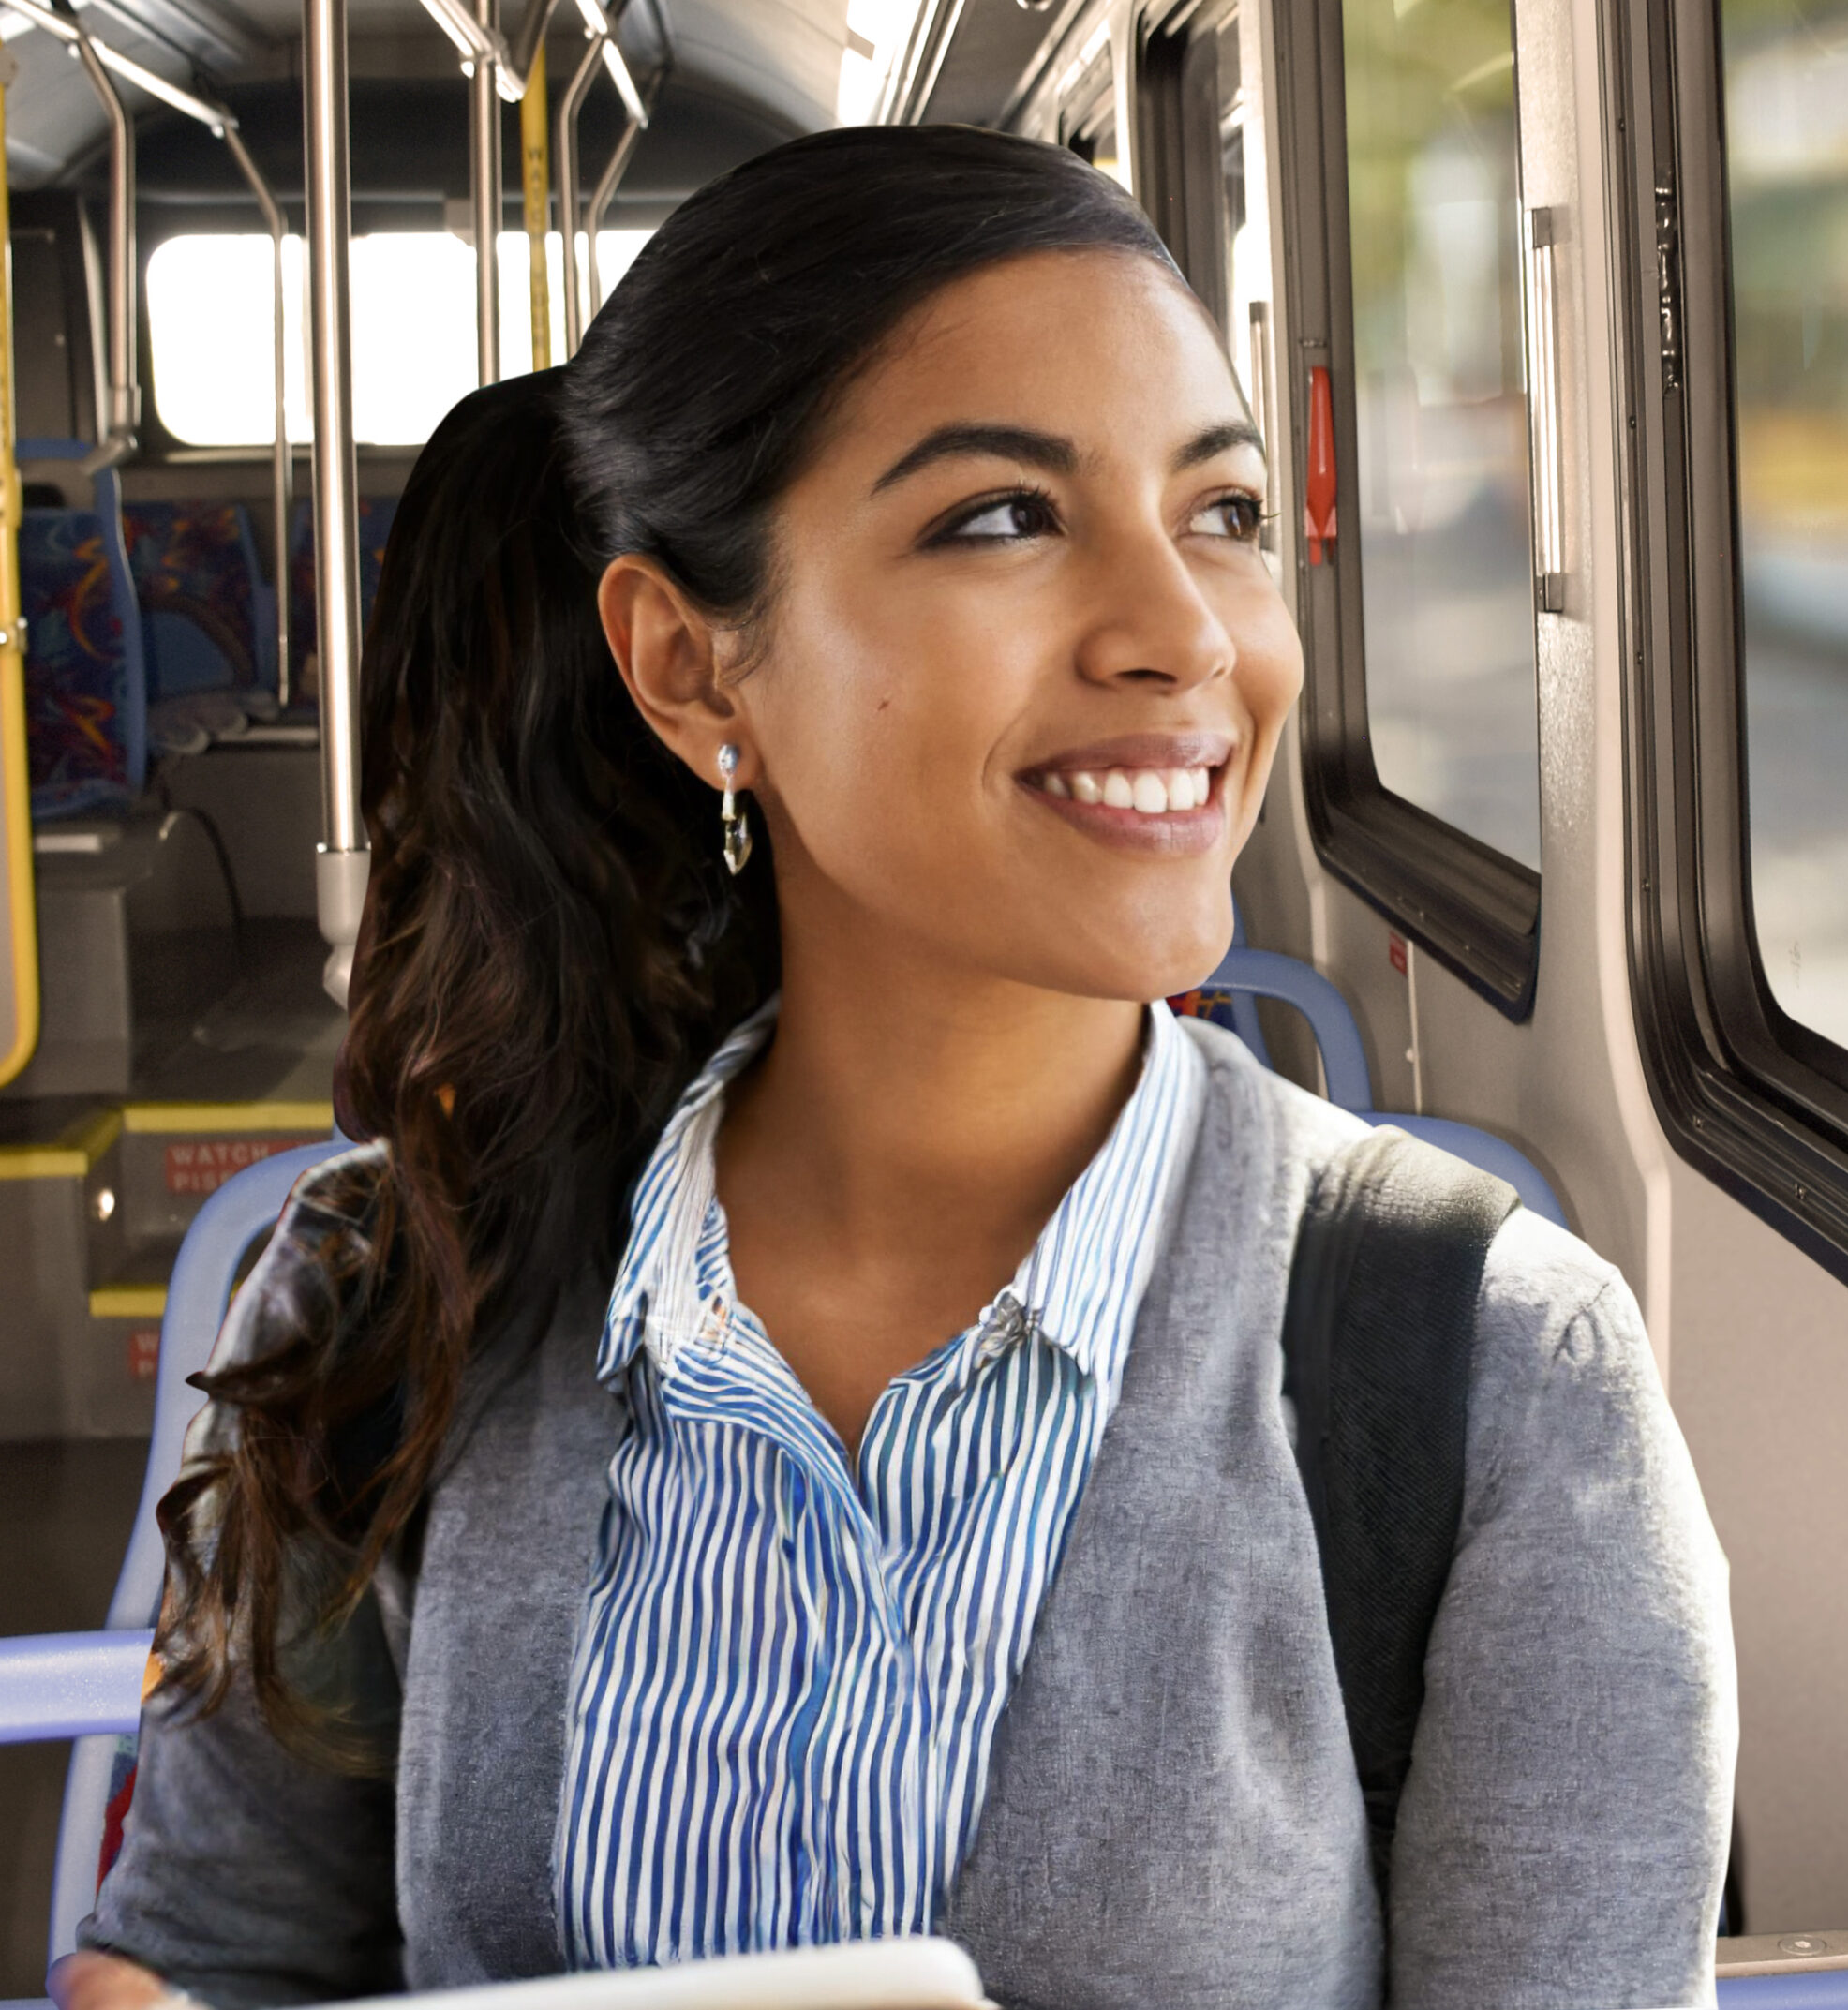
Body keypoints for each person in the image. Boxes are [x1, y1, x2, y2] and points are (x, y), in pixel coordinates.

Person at [55, 126, 1734, 2010]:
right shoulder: (407, 1288)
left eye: (1225, 511)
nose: (1183, 633)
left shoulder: (1487, 1382)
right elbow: (191, 1960)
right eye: (1004, 516)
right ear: (693, 669)